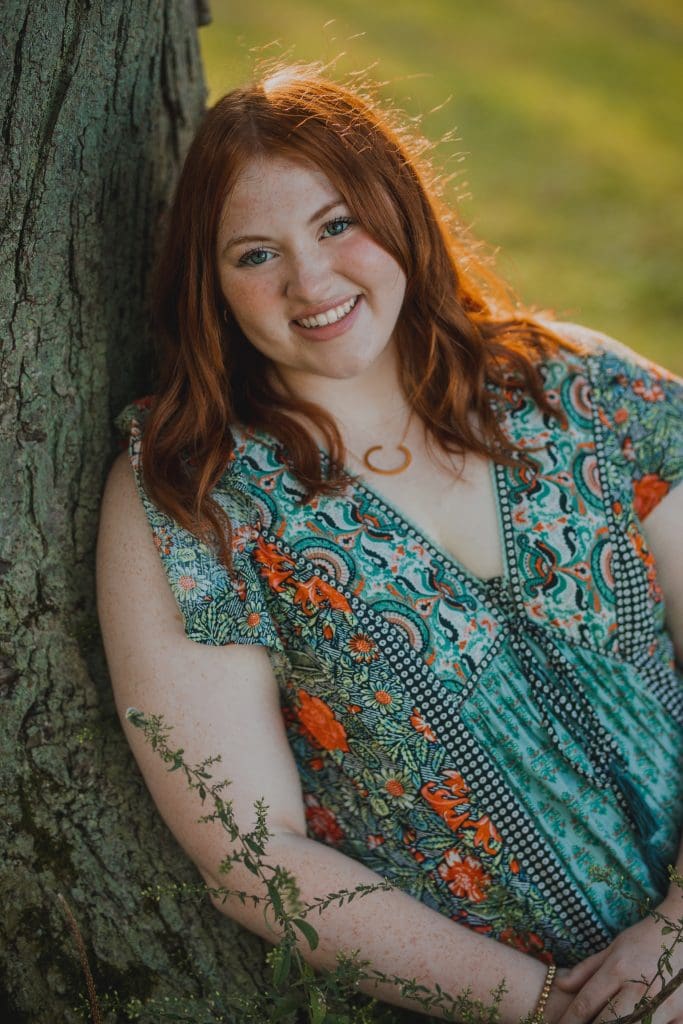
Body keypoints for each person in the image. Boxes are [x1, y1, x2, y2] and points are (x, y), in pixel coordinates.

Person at [96, 63, 683, 1022]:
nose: (310, 280)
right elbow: (253, 855)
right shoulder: (190, 490)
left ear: (399, 212)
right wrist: (555, 1012)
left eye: (337, 225)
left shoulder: (579, 389)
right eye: (255, 255)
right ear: (210, 285)